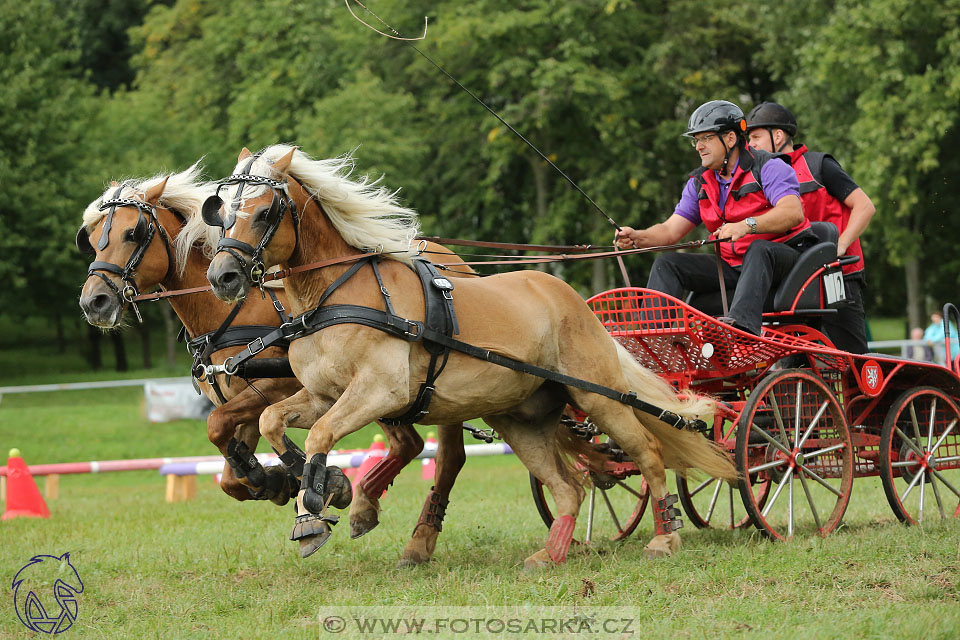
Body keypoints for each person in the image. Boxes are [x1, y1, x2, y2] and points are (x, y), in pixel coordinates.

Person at [615, 100, 816, 335]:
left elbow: (792, 212)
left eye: (706, 138)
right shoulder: (699, 182)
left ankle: (741, 333)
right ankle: (652, 340)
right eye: (696, 140)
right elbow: (670, 231)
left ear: (730, 139)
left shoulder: (769, 167)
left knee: (759, 249)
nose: (699, 146)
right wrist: (638, 236)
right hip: (734, 268)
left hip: (785, 262)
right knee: (667, 264)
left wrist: (747, 225)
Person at [745, 102, 876, 353]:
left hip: (837, 273)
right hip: (795, 279)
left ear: (778, 136)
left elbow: (865, 206)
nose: (750, 145)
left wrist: (842, 244)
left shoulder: (818, 165)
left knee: (853, 359)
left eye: (755, 137)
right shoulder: (762, 175)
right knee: (794, 359)